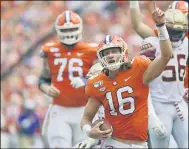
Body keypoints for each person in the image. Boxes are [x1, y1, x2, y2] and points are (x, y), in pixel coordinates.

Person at [80, 5, 173, 148]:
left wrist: (161, 26)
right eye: (106, 53)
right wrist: (89, 132)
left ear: (123, 52)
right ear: (100, 57)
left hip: (140, 144)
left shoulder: (139, 69)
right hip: (113, 143)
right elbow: (86, 117)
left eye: (114, 51)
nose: (110, 55)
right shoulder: (96, 83)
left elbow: (166, 56)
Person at [129, 1, 188, 148]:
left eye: (178, 32)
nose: (174, 36)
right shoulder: (154, 40)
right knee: (162, 143)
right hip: (158, 102)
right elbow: (137, 25)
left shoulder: (186, 42)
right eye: (171, 31)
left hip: (179, 102)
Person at [38, 10, 99, 148]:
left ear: (79, 28)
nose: (69, 32)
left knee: (82, 145)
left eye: (72, 28)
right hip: (60, 109)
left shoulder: (92, 50)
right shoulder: (49, 50)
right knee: (59, 144)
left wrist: (85, 81)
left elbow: (101, 78)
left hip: (85, 110)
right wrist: (46, 88)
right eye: (66, 29)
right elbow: (43, 79)